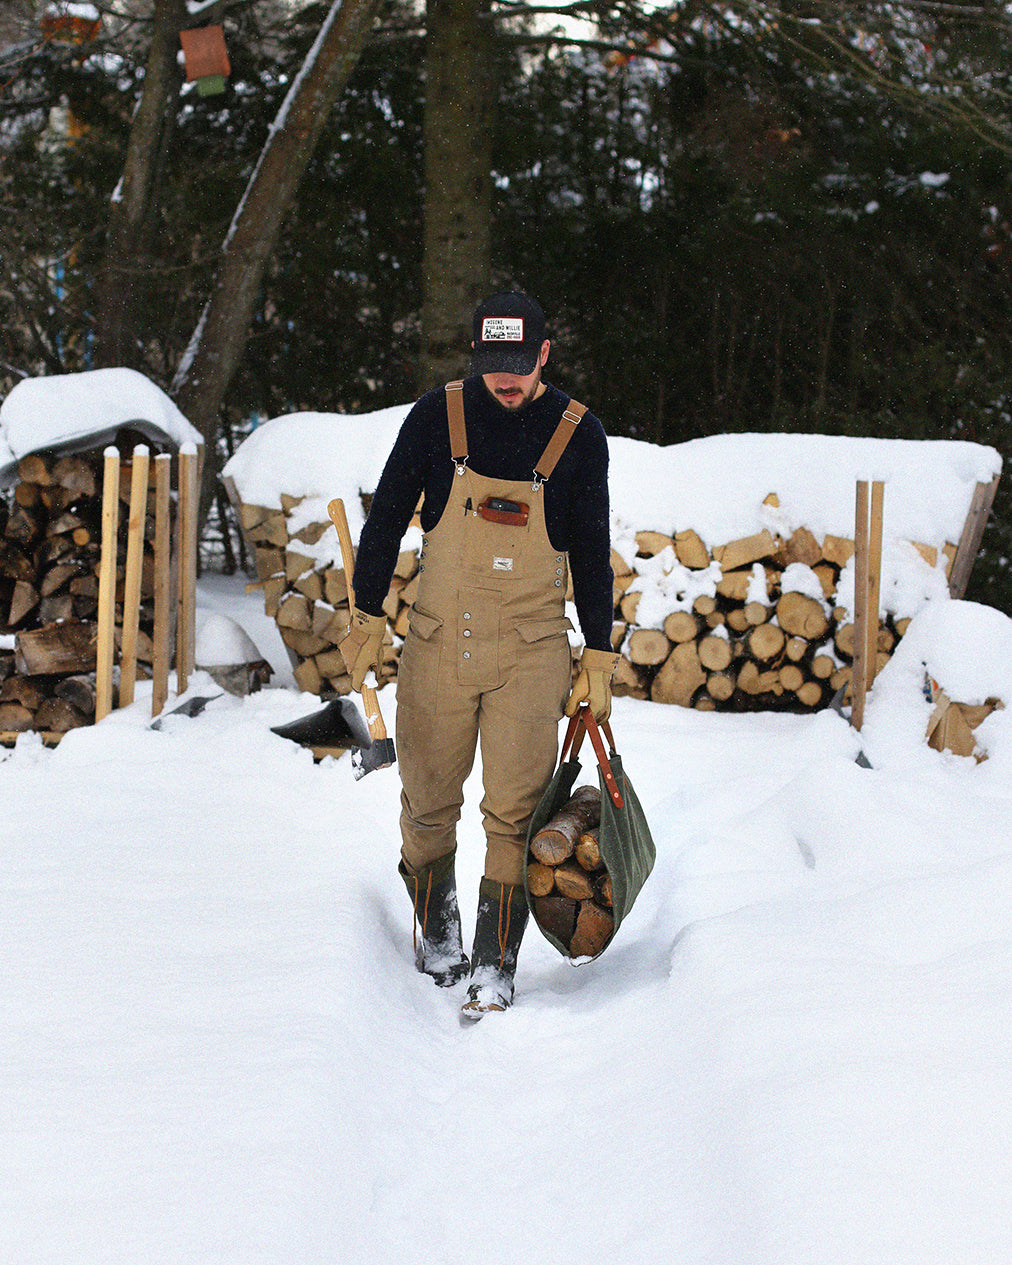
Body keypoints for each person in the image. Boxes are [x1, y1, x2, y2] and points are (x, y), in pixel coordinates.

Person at [340, 291, 618, 1017]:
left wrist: (600, 655)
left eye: (520, 365)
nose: (507, 379)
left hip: (532, 651)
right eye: (494, 364)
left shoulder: (577, 435)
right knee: (428, 799)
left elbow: (591, 551)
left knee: (516, 812)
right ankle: (438, 934)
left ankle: (495, 964)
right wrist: (367, 610)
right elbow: (388, 514)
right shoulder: (439, 416)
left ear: (545, 357)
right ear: (476, 355)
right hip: (438, 642)